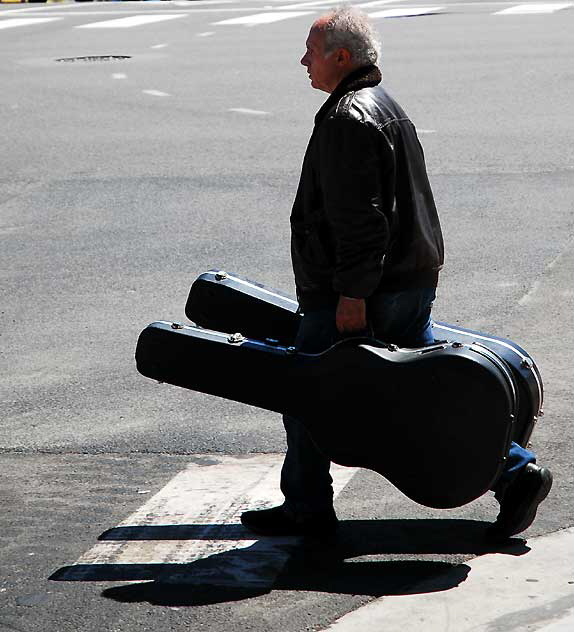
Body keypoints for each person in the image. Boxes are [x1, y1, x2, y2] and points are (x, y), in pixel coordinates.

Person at [241, 7, 552, 541]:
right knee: (421, 393)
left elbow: (361, 221)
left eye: (311, 52)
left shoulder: (348, 118)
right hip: (406, 280)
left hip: (369, 289)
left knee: (307, 390)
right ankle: (514, 471)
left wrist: (351, 294)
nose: (303, 61)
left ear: (342, 56)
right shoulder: (383, 107)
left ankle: (308, 507)